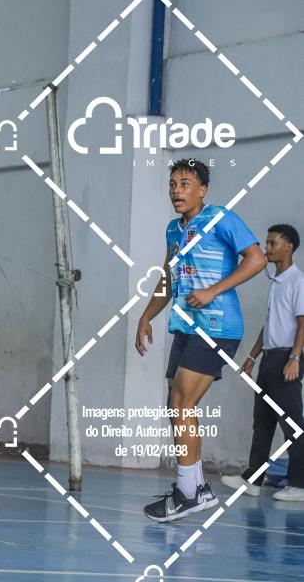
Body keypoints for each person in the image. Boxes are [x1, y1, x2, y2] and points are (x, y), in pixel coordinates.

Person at [135, 159, 266, 522]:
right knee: (176, 405)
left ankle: (188, 493)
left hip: (217, 325)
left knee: (181, 403)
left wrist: (213, 290)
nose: (176, 190)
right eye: (173, 184)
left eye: (185, 184)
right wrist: (146, 315)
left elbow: (257, 259)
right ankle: (195, 488)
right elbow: (168, 277)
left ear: (202, 190)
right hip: (186, 326)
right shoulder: (173, 229)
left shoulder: (220, 218)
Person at [221, 224, 304, 501]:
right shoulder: (276, 282)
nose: (266, 248)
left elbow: (303, 323)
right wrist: (251, 357)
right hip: (270, 359)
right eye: (266, 243)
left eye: (272, 243)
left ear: (289, 246)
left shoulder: (297, 281)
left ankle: (300, 485)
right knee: (263, 421)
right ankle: (253, 480)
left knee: (292, 423)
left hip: (286, 358)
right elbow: (269, 324)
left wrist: (294, 358)